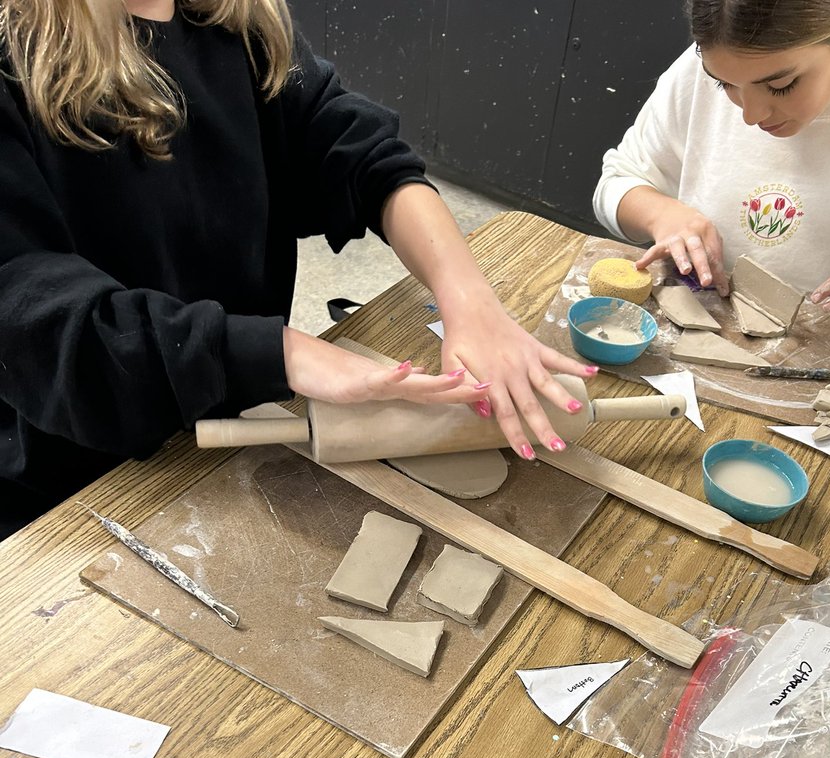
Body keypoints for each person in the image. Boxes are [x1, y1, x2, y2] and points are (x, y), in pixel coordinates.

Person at [0, 0, 598, 538]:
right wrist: (283, 354)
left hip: (239, 419)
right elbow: (42, 326)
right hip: (81, 482)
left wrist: (468, 299)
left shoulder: (233, 19)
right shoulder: (15, 58)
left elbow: (360, 154)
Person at [593, 0, 830, 315]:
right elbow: (618, 180)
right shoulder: (719, 61)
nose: (751, 116)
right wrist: (662, 216)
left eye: (780, 85)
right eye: (724, 84)